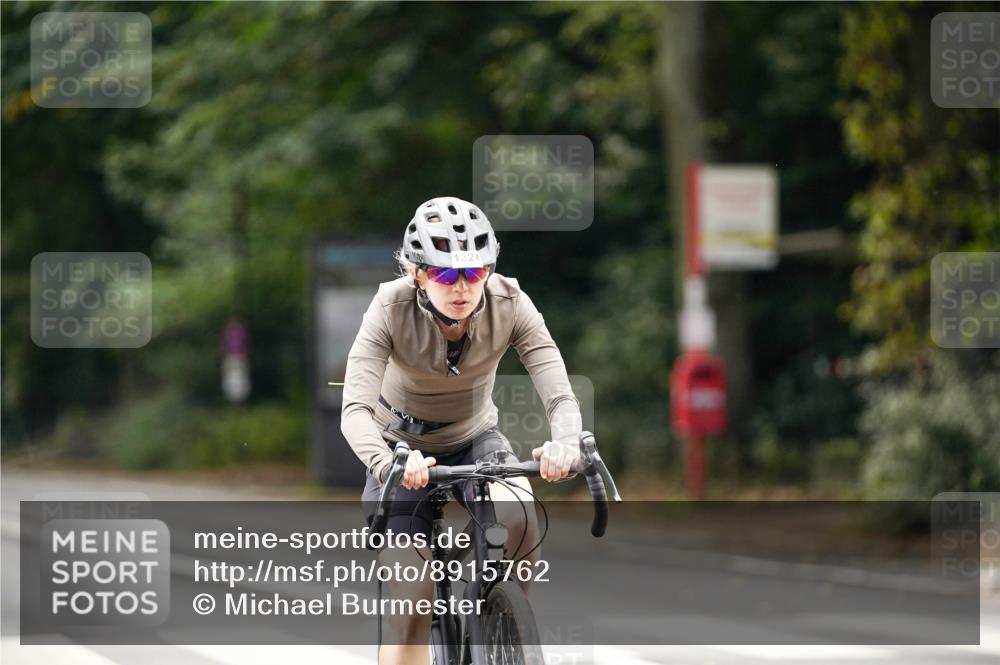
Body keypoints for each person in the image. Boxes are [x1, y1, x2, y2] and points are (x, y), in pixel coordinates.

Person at [341, 196, 583, 665]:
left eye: (474, 272)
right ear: (418, 274)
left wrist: (568, 442)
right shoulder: (388, 309)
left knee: (522, 517)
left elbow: (558, 393)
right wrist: (386, 460)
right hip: (399, 450)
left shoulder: (511, 303)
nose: (462, 286)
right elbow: (354, 411)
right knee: (412, 598)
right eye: (445, 274)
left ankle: (503, 624)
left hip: (475, 438)